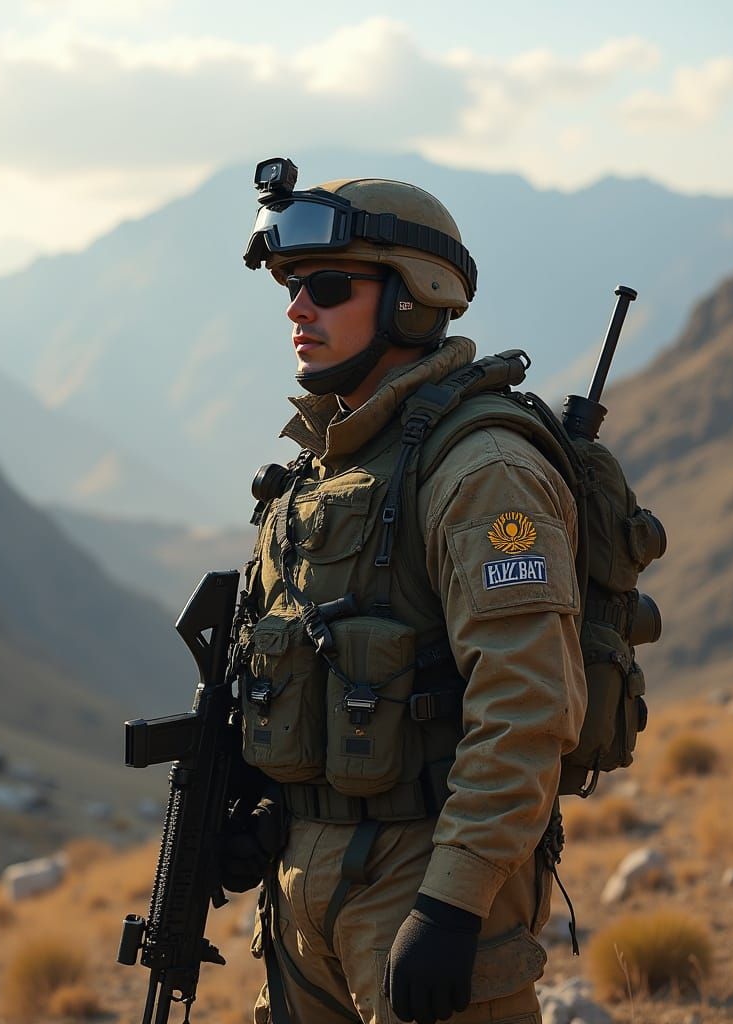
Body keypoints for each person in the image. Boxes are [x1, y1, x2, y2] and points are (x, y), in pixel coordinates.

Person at [225, 159, 588, 1024]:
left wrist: (452, 902)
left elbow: (527, 702)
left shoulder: (483, 470)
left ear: (413, 297)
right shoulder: (324, 466)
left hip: (421, 877)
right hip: (305, 884)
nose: (297, 308)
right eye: (291, 287)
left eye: (328, 285)